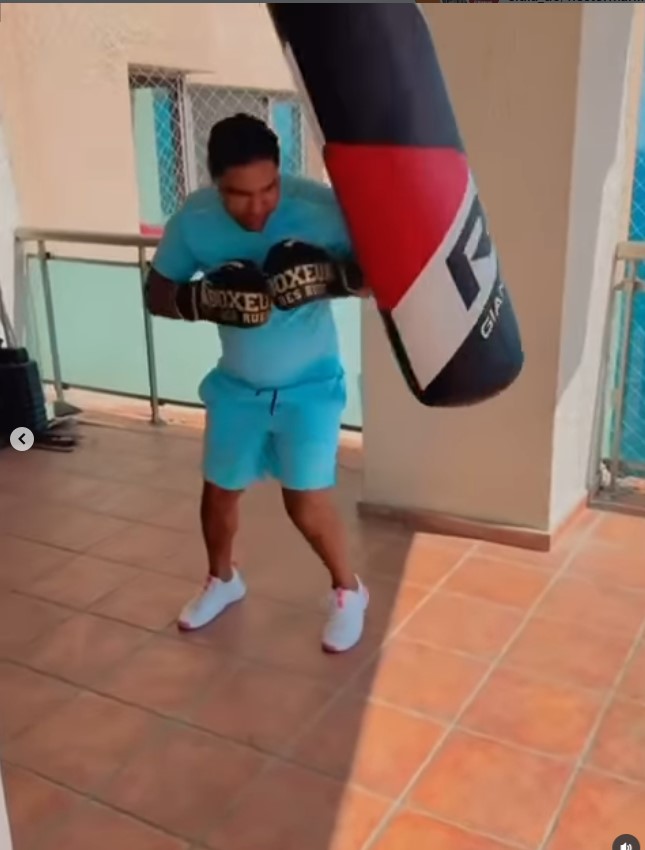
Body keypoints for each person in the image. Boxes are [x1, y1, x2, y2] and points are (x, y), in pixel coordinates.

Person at [145, 113, 369, 653]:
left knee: (304, 503)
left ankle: (349, 590)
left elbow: (375, 274)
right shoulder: (195, 220)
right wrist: (203, 300)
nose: (258, 206)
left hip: (311, 387)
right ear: (215, 183)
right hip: (237, 388)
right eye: (240, 195)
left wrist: (329, 277)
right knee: (219, 493)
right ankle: (223, 580)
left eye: (268, 188)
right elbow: (157, 293)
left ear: (279, 172)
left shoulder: (317, 208)